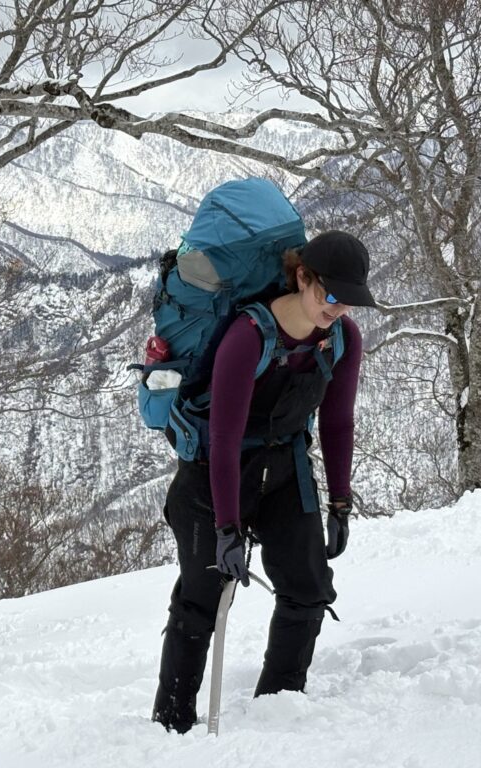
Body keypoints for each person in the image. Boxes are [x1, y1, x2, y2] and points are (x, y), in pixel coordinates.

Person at [152, 230, 376, 733]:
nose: (337, 310)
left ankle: (277, 711)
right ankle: (171, 726)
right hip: (214, 475)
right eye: (329, 296)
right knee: (200, 598)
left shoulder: (343, 338)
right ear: (302, 277)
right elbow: (225, 438)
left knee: (309, 589)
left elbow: (338, 422)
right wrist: (228, 529)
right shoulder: (248, 336)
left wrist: (340, 503)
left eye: (348, 301)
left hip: (284, 468)